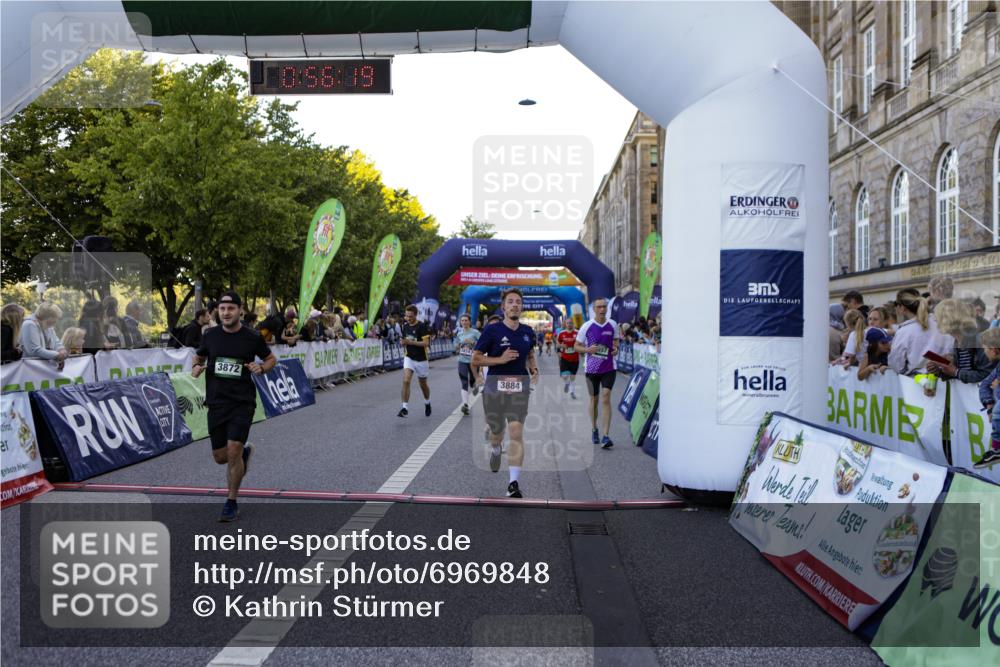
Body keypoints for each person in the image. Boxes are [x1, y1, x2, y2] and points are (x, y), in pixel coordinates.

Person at [191, 291, 276, 522]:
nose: (226, 313)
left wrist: (262, 368)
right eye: (222, 309)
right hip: (217, 402)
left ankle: (231, 501)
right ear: (217, 312)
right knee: (220, 457)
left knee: (233, 450)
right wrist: (196, 368)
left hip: (242, 402)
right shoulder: (210, 335)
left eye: (230, 308)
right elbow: (198, 357)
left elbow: (271, 359)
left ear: (240, 310)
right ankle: (244, 455)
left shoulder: (252, 336)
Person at [472, 288, 539, 496]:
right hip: (494, 387)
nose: (515, 305)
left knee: (516, 431)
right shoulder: (492, 331)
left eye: (518, 302)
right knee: (496, 433)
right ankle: (495, 448)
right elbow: (476, 358)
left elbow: (529, 355)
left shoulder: (528, 332)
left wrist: (534, 369)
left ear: (522, 306)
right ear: (503, 307)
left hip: (519, 386)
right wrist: (500, 360)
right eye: (510, 302)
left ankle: (513, 484)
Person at [575, 297, 620, 449]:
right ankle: (594, 429)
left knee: (606, 398)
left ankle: (606, 436)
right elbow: (576, 346)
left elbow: (616, 343)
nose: (602, 309)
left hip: (609, 367)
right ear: (594, 309)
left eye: (604, 306)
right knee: (594, 400)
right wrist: (587, 350)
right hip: (592, 369)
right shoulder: (586, 326)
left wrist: (616, 349)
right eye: (599, 307)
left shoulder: (613, 324)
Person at [927, 298, 995, 385]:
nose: (936, 322)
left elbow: (987, 376)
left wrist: (955, 371)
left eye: (938, 319)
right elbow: (960, 375)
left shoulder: (979, 341)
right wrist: (939, 371)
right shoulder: (957, 341)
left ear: (948, 319)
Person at [887, 288, 953, 376]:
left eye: (897, 306)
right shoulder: (941, 323)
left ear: (902, 308)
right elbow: (951, 351)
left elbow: (896, 365)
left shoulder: (904, 332)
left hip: (916, 383)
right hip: (946, 379)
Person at [398, 305, 432, 417]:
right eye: (406, 316)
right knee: (406, 380)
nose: (408, 318)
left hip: (421, 359)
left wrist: (411, 342)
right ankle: (404, 408)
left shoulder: (422, 326)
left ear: (416, 315)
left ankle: (427, 402)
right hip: (409, 357)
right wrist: (402, 342)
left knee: (423, 385)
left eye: (410, 316)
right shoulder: (405, 326)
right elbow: (404, 340)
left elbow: (426, 344)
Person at [975, 327, 1000, 469]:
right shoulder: (997, 368)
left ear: (994, 349)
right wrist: (989, 405)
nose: (984, 352)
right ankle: (996, 449)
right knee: (996, 410)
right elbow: (985, 385)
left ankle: (997, 449)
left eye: (985, 348)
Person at [454, 314, 481, 415]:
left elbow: (483, 343)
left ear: (470, 322)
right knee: (464, 380)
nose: (464, 322)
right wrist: (460, 344)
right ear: (460, 322)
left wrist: (473, 343)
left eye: (466, 320)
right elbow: (455, 347)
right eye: (462, 321)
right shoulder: (459, 334)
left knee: (472, 382)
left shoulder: (475, 332)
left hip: (473, 361)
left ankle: (475, 384)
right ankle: (465, 405)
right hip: (462, 360)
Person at [556, 319, 580, 399]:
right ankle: (567, 383)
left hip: (575, 359)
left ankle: (572, 392)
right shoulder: (561, 333)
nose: (569, 324)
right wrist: (561, 346)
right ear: (565, 324)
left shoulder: (578, 333)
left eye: (571, 323)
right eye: (568, 323)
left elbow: (581, 343)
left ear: (573, 324)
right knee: (564, 376)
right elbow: (557, 344)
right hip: (565, 358)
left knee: (573, 376)